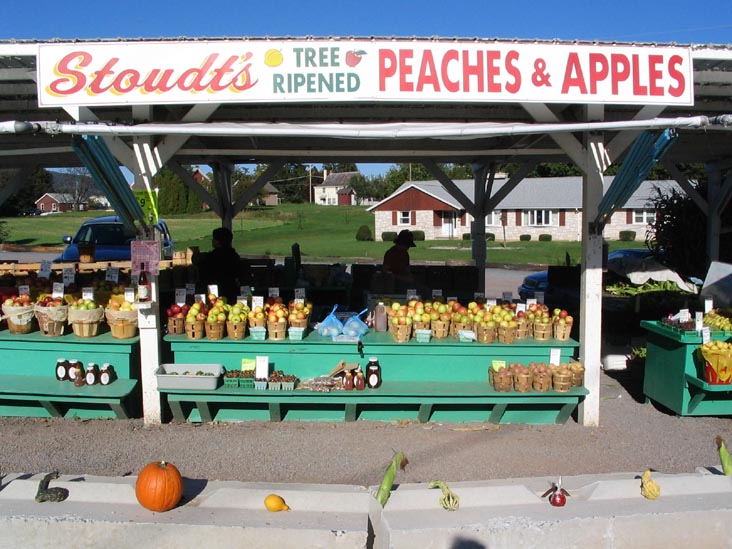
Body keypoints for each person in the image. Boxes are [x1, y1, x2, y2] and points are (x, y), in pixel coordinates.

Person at [197, 227, 240, 302]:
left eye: (213, 239)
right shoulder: (234, 256)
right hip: (231, 293)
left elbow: (203, 275)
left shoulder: (210, 258)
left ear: (217, 241)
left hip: (213, 295)